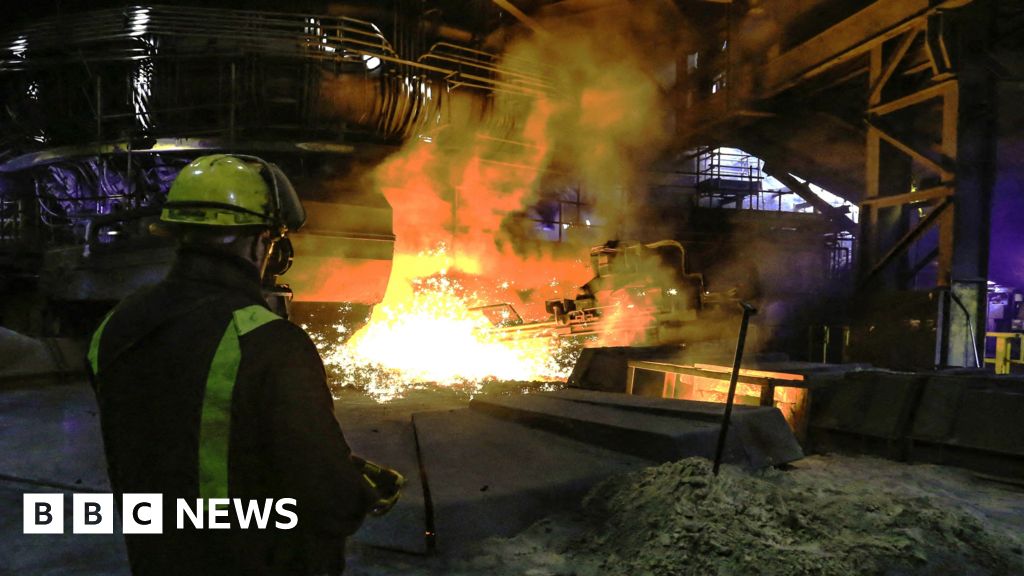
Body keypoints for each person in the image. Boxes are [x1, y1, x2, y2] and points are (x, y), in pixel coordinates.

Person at [87, 154, 374, 575]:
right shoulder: (269, 341)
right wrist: (359, 492)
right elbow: (327, 497)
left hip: (155, 557)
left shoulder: (115, 325)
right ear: (260, 243)